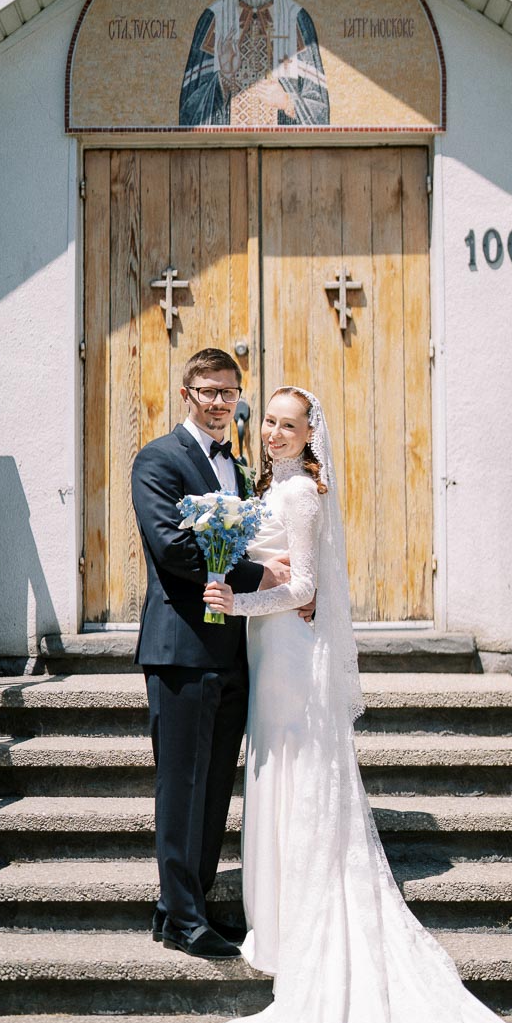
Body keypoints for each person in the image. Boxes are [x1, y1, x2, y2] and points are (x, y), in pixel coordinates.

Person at [201, 386, 512, 1023]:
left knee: (297, 779)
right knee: (275, 775)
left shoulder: (299, 493)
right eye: (267, 420)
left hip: (291, 661)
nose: (273, 432)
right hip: (271, 655)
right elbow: (282, 578)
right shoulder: (271, 485)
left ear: (310, 437)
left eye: (288, 424)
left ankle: (294, 927)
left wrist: (237, 603)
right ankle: (273, 924)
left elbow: (304, 588)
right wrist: (245, 581)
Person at [130, 348, 297, 962]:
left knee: (214, 788)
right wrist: (260, 574)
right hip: (180, 648)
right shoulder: (158, 460)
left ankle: (184, 906)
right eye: (208, 390)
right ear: (187, 392)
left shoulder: (237, 464)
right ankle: (181, 916)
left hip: (233, 650)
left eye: (229, 391)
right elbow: (174, 550)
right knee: (182, 785)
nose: (220, 401)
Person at [179, 0, 329, 127]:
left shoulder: (296, 19)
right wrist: (223, 78)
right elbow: (189, 113)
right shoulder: (215, 19)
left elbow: (319, 110)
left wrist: (287, 102)